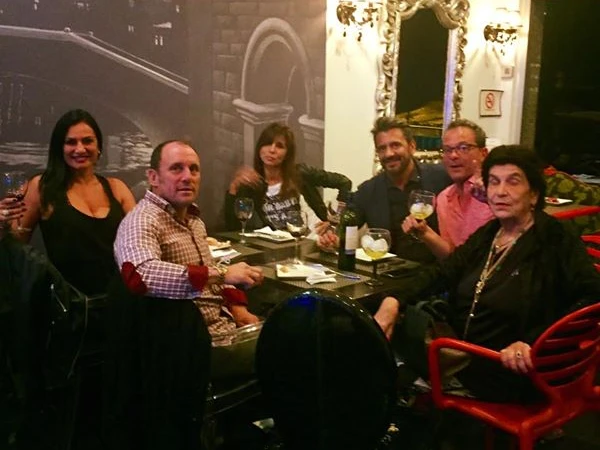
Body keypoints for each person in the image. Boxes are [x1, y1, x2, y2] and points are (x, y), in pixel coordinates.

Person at [373, 145, 600, 402]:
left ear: (534, 194)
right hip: (467, 355)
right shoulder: (490, 234)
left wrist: (533, 342)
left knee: (384, 370)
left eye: (513, 182)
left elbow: (592, 296)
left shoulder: (555, 237)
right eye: (494, 182)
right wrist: (394, 300)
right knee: (374, 338)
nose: (500, 191)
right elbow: (443, 272)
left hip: (513, 370)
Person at [114, 139, 264, 376]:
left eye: (194, 169)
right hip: (190, 346)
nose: (187, 177)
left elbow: (210, 275)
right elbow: (140, 275)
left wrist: (238, 307)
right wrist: (223, 273)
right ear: (153, 177)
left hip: (222, 328)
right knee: (291, 346)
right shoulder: (141, 220)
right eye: (176, 168)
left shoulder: (194, 221)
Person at [0, 108, 135, 295]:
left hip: (119, 304)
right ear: (60, 148)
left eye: (87, 141)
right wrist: (2, 226)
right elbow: (16, 245)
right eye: (71, 142)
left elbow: (140, 242)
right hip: (69, 306)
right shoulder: (42, 188)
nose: (80, 149)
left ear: (99, 146)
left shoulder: (117, 188)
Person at [319, 116, 451, 263]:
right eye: (382, 148)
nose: (389, 154)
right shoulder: (368, 191)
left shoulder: (442, 178)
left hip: (440, 271)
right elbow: (344, 226)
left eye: (395, 145)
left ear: (412, 146)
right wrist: (331, 237)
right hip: (389, 272)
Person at [224, 122, 351, 232]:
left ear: (287, 153)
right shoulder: (253, 182)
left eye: (279, 146)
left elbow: (344, 182)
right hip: (271, 246)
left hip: (306, 240)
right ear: (259, 148)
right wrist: (233, 188)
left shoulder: (301, 173)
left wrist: (335, 221)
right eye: (267, 144)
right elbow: (233, 227)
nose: (272, 150)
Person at [401, 119, 494, 259]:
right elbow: (452, 257)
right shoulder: (444, 199)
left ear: (483, 153)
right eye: (448, 150)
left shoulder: (494, 194)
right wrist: (425, 232)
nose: (453, 155)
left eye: (463, 148)